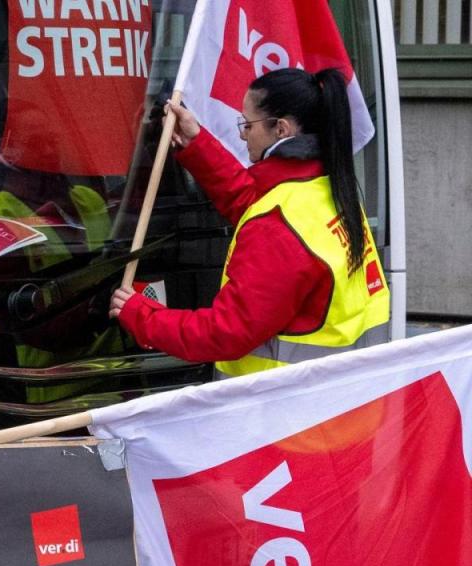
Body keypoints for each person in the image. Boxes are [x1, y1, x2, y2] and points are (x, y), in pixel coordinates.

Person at [109, 68, 390, 377]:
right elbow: (252, 200)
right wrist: (197, 143)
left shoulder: (277, 225)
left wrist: (143, 316)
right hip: (340, 403)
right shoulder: (330, 187)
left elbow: (225, 332)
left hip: (278, 413)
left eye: (247, 124)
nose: (243, 135)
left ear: (281, 129)